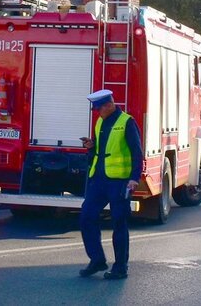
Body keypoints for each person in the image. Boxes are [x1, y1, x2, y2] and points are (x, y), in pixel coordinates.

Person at [78, 89, 142, 281]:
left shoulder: (127, 122)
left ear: (109, 105)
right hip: (99, 179)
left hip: (120, 181)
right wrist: (91, 146)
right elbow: (99, 149)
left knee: (119, 223)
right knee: (86, 216)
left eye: (99, 109)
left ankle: (120, 267)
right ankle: (97, 260)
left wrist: (134, 178)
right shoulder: (100, 121)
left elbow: (137, 152)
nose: (97, 112)